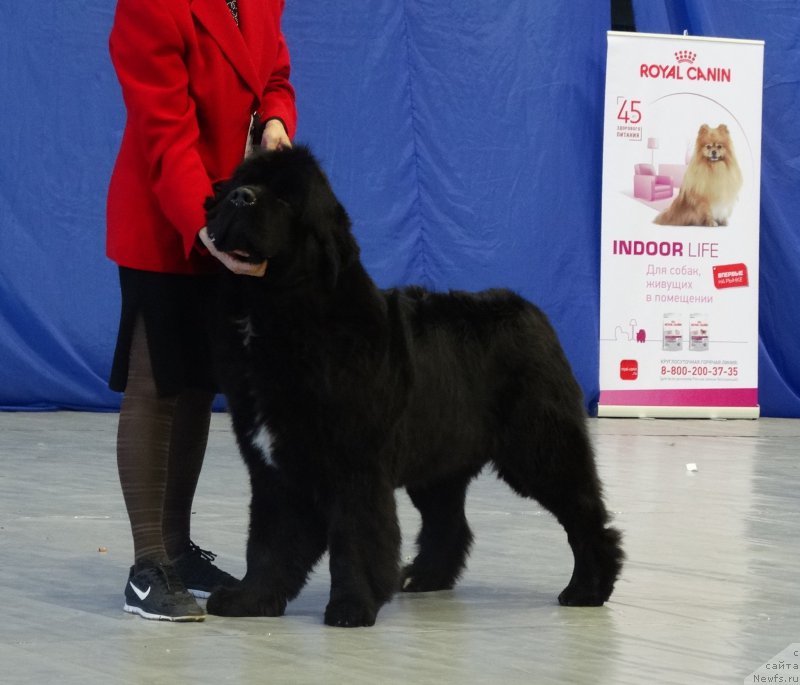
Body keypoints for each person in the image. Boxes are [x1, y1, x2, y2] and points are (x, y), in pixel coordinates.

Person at [106, 0, 296, 621]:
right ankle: (145, 567)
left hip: (225, 213)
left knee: (193, 387)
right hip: (165, 218)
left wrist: (275, 121)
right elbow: (165, 135)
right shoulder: (151, 7)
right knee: (154, 384)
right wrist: (207, 229)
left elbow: (273, 75)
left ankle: (178, 551)